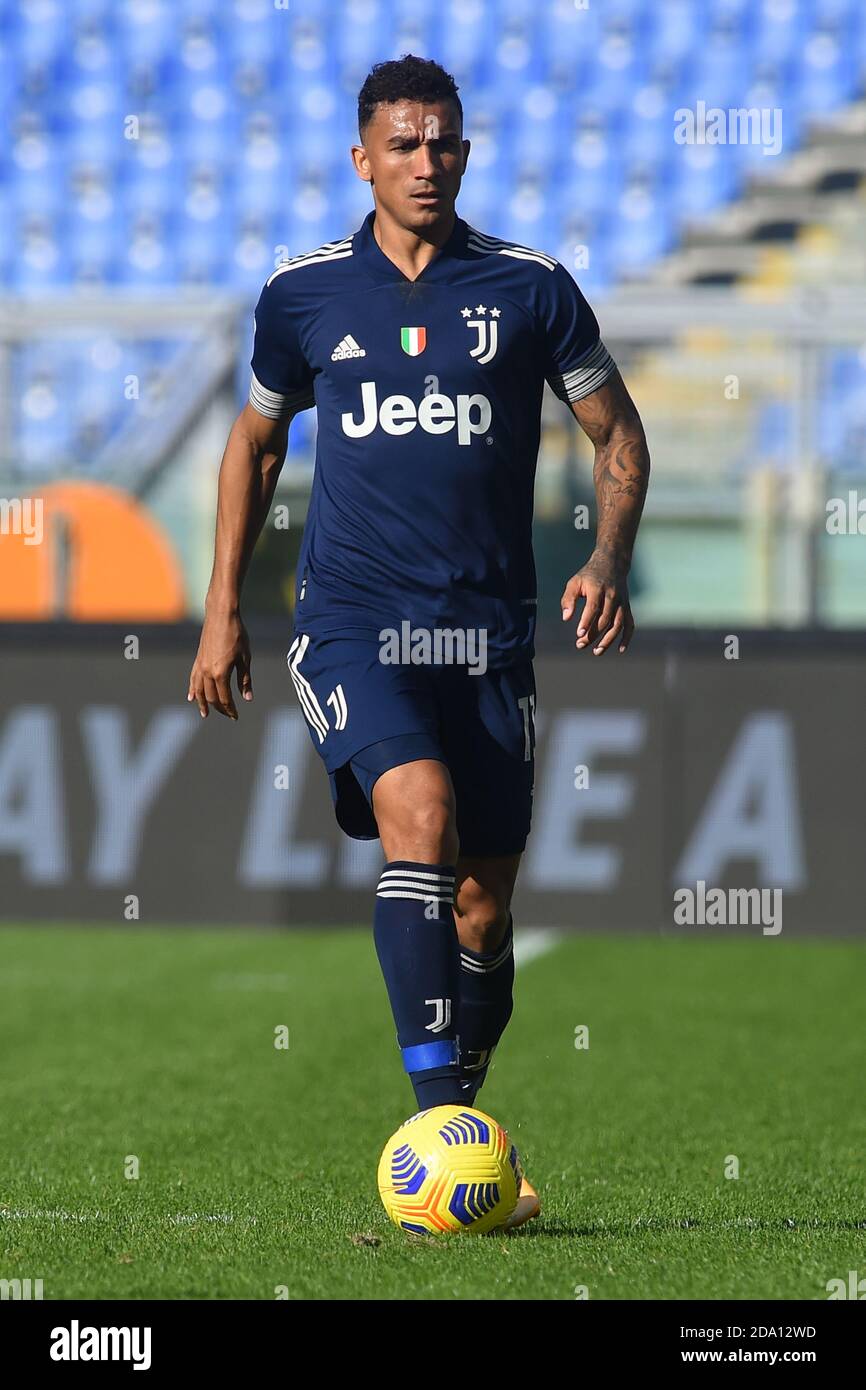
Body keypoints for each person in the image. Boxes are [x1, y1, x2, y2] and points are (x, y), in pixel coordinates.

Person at [188, 54, 650, 1230]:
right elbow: (252, 446)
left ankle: (462, 1123)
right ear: (362, 158)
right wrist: (224, 607)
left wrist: (602, 560)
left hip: (489, 639)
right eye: (402, 144)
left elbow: (618, 437)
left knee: (483, 913)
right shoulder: (302, 297)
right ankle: (439, 1136)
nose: (425, 162)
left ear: (465, 151)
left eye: (442, 142)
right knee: (422, 818)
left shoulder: (530, 290)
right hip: (352, 623)